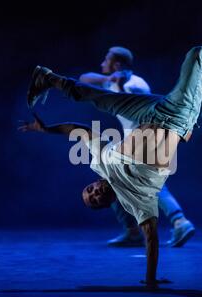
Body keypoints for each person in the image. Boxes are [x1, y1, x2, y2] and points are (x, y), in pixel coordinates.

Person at [23, 45, 202, 288]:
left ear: (93, 183)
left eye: (90, 191)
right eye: (96, 200)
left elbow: (81, 131)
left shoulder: (100, 163)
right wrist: (150, 280)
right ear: (109, 203)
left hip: (145, 112)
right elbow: (151, 237)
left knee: (97, 98)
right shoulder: (136, 201)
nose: (95, 193)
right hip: (175, 117)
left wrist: (46, 130)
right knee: (199, 54)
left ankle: (47, 77)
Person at [79, 46, 195, 248]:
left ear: (116, 64)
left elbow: (136, 106)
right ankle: (135, 231)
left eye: (106, 61)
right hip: (136, 143)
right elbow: (84, 79)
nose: (101, 64)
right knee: (112, 181)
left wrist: (121, 86)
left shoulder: (136, 84)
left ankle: (180, 222)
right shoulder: (113, 81)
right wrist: (111, 79)